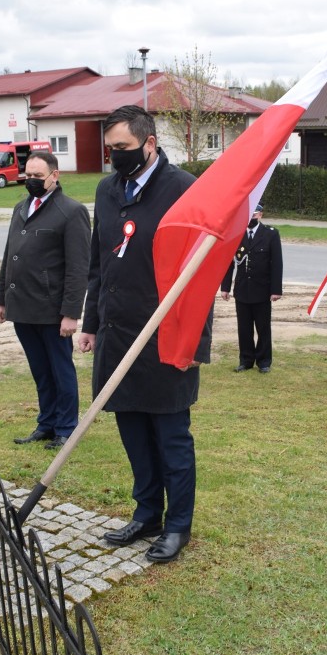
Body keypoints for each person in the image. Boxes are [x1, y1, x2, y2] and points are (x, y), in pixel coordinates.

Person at [78, 105, 210, 563]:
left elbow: (202, 274)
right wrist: (91, 323)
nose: (115, 156)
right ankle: (147, 512)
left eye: (123, 147)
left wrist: (197, 343)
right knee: (133, 431)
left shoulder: (184, 189)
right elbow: (99, 262)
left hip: (165, 336)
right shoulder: (107, 189)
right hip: (117, 335)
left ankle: (178, 525)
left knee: (171, 437)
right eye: (110, 148)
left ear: (149, 143)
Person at [0, 151, 91, 450]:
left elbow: (78, 267)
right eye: (28, 175)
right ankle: (46, 423)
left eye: (38, 176)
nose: (32, 181)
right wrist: (1, 299)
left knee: (60, 370)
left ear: (54, 176)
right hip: (21, 306)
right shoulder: (20, 207)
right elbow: (10, 255)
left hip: (52, 310)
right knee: (40, 370)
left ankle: (66, 427)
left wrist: (71, 313)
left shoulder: (71, 211)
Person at [220, 204, 283, 374]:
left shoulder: (270, 234)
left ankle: (264, 361)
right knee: (244, 328)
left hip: (262, 289)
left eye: (254, 214)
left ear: (260, 215)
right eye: (248, 214)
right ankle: (246, 360)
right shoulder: (237, 234)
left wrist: (276, 290)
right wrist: (225, 287)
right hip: (242, 289)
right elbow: (229, 262)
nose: (251, 218)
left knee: (263, 328)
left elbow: (277, 263)